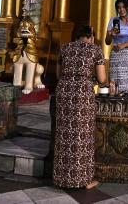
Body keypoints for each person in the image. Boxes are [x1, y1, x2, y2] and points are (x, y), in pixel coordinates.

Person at [53, 26, 107, 190]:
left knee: (64, 135)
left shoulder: (65, 48)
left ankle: (61, 178)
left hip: (64, 92)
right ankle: (83, 180)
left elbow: (58, 74)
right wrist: (99, 82)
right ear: (90, 36)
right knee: (82, 136)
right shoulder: (95, 50)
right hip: (82, 94)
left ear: (76, 36)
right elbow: (102, 78)